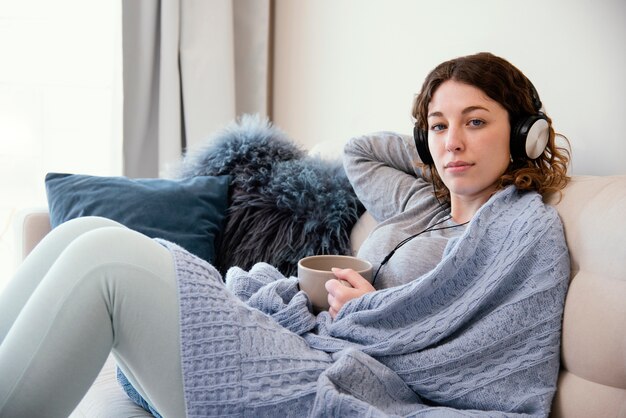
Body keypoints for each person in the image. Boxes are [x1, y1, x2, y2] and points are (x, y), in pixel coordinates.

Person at [0, 52, 571, 417]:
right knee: (88, 230)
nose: (453, 142)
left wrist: (375, 309)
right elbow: (360, 151)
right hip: (309, 338)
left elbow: (490, 371)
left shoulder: (524, 230)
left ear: (525, 134)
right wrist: (430, 147)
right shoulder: (420, 202)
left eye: (476, 121)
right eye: (439, 128)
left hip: (348, 377)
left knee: (105, 255)